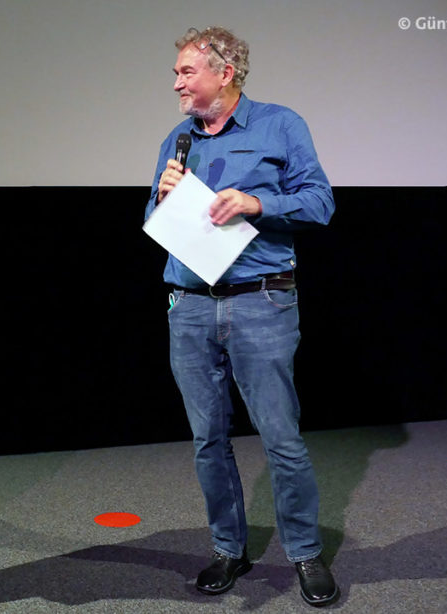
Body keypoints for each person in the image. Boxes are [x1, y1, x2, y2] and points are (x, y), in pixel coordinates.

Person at [145, 27, 338, 607]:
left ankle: (305, 553)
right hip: (191, 306)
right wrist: (162, 194)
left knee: (280, 437)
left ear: (223, 73)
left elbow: (320, 202)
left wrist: (259, 202)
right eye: (177, 73)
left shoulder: (280, 125)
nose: (176, 81)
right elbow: (154, 217)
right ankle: (228, 548)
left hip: (262, 301)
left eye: (185, 71)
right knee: (208, 439)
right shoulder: (178, 138)